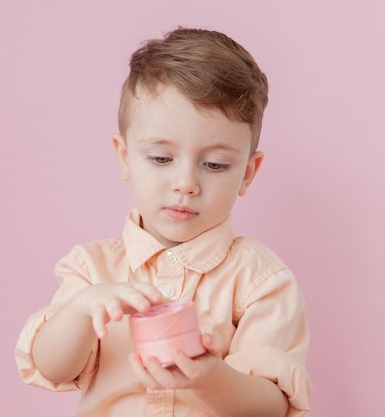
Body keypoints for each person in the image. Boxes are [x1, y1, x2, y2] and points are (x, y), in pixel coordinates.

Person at [15, 27, 311, 417]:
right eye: (160, 159)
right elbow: (52, 367)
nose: (186, 184)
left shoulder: (261, 281)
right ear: (124, 157)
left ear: (247, 174)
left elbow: (272, 405)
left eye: (215, 165)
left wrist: (208, 377)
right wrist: (83, 310)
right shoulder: (92, 269)